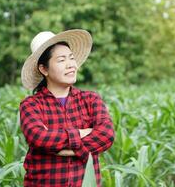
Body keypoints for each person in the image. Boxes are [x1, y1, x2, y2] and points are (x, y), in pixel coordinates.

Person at [19, 29, 115, 187]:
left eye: (71, 58)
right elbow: (39, 138)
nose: (71, 65)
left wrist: (64, 148)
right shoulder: (31, 105)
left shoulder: (91, 99)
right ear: (44, 69)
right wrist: (83, 133)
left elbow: (106, 135)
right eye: (61, 60)